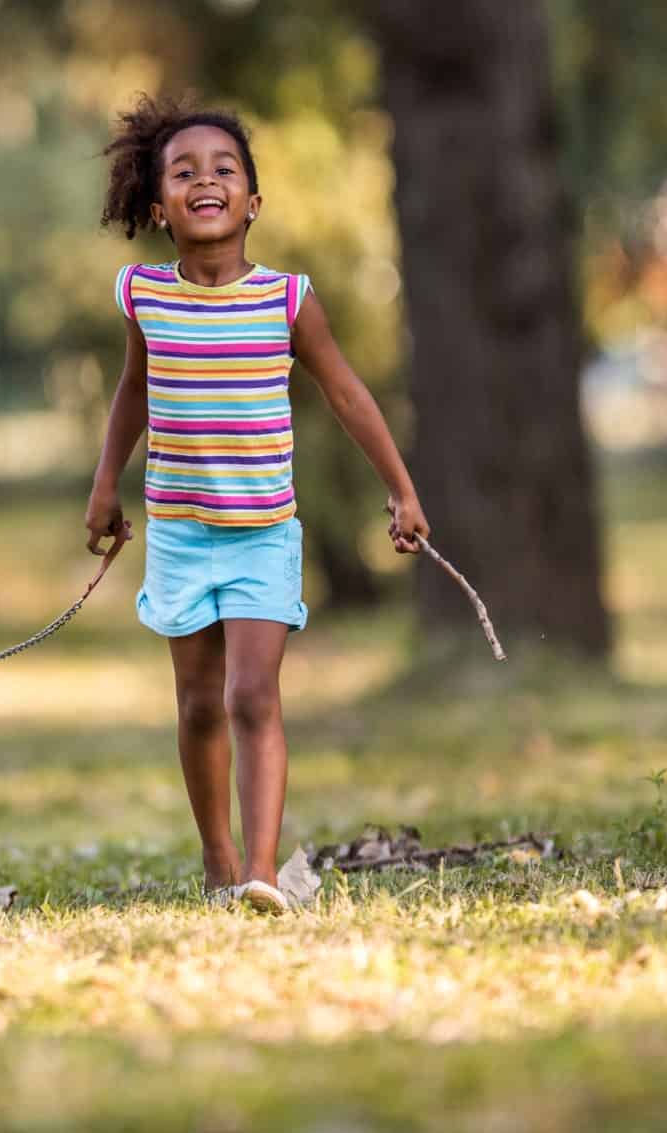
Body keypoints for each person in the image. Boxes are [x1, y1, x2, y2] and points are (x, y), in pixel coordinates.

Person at [84, 94, 431, 913]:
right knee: (199, 702)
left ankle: (261, 875)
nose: (205, 181)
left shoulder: (285, 299)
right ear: (158, 204)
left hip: (262, 533)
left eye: (224, 169)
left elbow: (345, 394)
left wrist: (401, 488)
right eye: (184, 172)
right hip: (176, 531)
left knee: (251, 694)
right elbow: (133, 391)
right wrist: (105, 484)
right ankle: (218, 859)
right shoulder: (144, 296)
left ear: (252, 202)